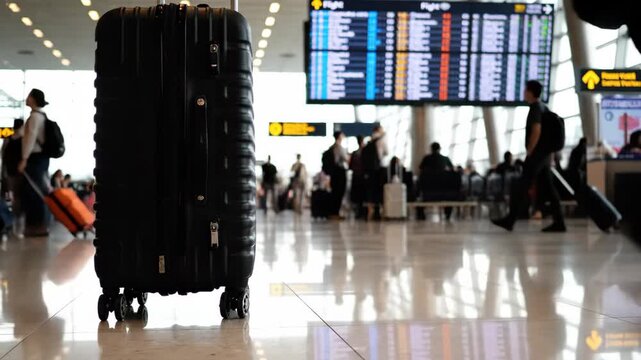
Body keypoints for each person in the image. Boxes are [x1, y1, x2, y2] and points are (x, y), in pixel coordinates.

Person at [492, 80, 566, 232]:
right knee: (550, 190)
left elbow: (536, 130)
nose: (524, 93)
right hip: (545, 156)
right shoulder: (544, 107)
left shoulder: (535, 108)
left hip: (537, 155)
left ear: (531, 92)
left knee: (521, 185)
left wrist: (530, 151)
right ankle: (559, 222)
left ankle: (510, 220)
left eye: (525, 90)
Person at [18, 89, 51, 237]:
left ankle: (37, 226)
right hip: (41, 159)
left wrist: (24, 159)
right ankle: (39, 225)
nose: (26, 98)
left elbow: (29, 139)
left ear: (33, 99)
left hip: (35, 158)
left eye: (29, 96)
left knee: (34, 192)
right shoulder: (41, 116)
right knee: (37, 191)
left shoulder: (34, 118)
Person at [418, 142, 456, 220]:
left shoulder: (426, 159)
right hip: (444, 191)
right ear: (439, 149)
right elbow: (452, 169)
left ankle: (421, 216)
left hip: (428, 191)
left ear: (431, 149)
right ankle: (447, 215)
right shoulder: (445, 159)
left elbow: (420, 169)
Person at [1, 118, 25, 236]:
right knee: (19, 195)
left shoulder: (8, 139)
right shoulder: (23, 139)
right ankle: (17, 218)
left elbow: (2, 154)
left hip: (9, 171)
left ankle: (13, 219)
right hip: (21, 172)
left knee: (13, 195)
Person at [362, 124, 387, 220]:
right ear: (380, 130)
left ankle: (368, 211)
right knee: (379, 190)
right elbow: (386, 152)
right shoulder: (381, 140)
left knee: (371, 190)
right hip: (379, 169)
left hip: (370, 170)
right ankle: (377, 211)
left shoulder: (370, 141)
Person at [323, 131, 348, 219]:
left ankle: (333, 212)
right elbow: (346, 159)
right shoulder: (339, 147)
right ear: (339, 137)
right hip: (339, 172)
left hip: (334, 173)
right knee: (339, 192)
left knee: (334, 192)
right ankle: (335, 213)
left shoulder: (332, 147)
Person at [349, 135, 366, 219]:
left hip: (356, 176)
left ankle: (359, 212)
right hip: (361, 176)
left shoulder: (354, 153)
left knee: (358, 195)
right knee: (361, 195)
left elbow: (350, 166)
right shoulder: (365, 152)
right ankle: (361, 212)